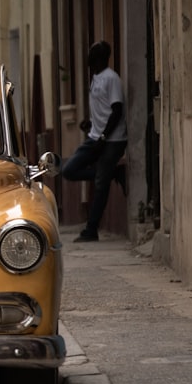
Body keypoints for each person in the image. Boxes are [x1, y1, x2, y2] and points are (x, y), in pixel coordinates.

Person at [61, 41, 127, 243]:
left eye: (91, 55)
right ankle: (113, 173)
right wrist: (91, 124)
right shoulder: (95, 78)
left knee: (100, 184)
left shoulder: (111, 78)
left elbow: (116, 110)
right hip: (94, 136)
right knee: (69, 170)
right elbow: (103, 109)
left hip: (113, 140)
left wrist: (105, 136)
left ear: (99, 58)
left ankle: (91, 229)